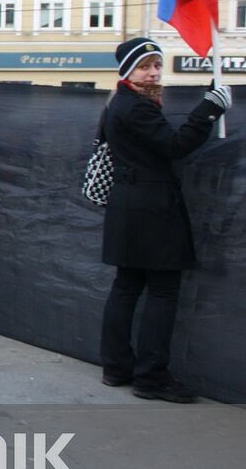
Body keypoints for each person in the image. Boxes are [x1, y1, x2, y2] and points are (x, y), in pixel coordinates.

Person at [99, 38, 231, 403]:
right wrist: (208, 109)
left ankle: (116, 368)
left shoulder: (117, 103)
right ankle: (151, 378)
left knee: (126, 286)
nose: (154, 72)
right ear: (128, 70)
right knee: (161, 290)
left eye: (157, 64)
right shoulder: (138, 107)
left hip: (127, 205)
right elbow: (175, 147)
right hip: (152, 208)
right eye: (145, 66)